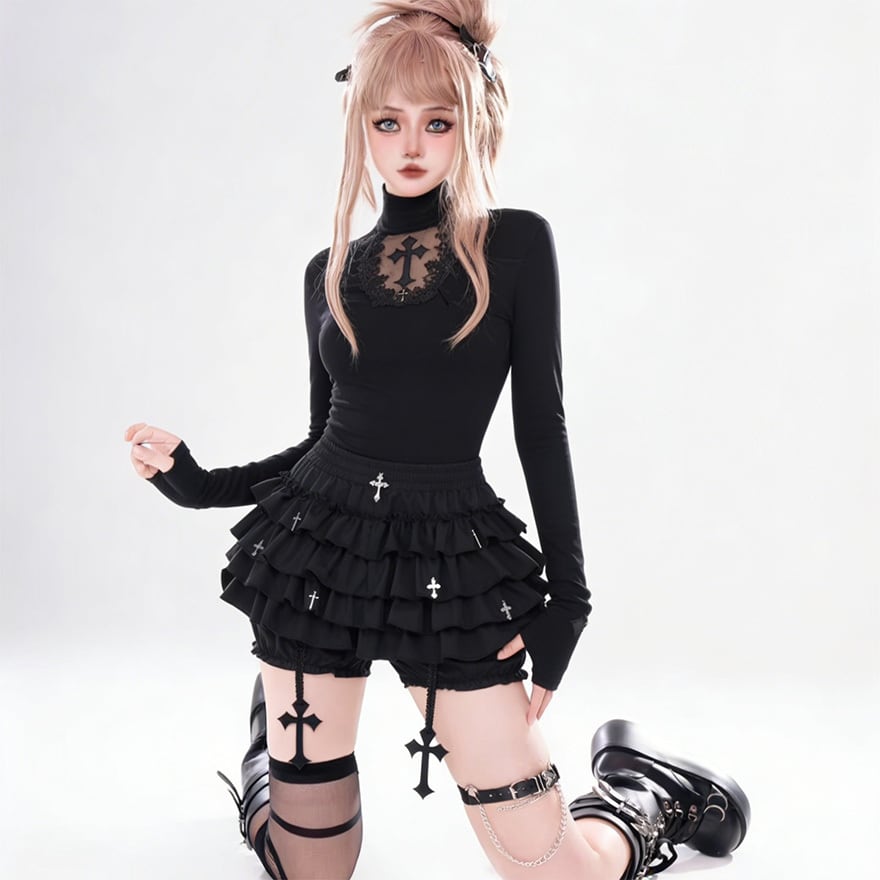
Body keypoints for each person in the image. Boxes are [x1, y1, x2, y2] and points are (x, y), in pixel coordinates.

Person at [124, 2, 750, 878]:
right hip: (318, 564)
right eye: (388, 122)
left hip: (450, 567)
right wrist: (196, 483)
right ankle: (275, 762)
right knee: (314, 871)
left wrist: (568, 603)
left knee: (552, 873)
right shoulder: (328, 271)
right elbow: (324, 443)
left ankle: (642, 789)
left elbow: (541, 427)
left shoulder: (515, 245)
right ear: (361, 128)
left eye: (437, 122)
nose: (411, 144)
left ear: (473, 123)